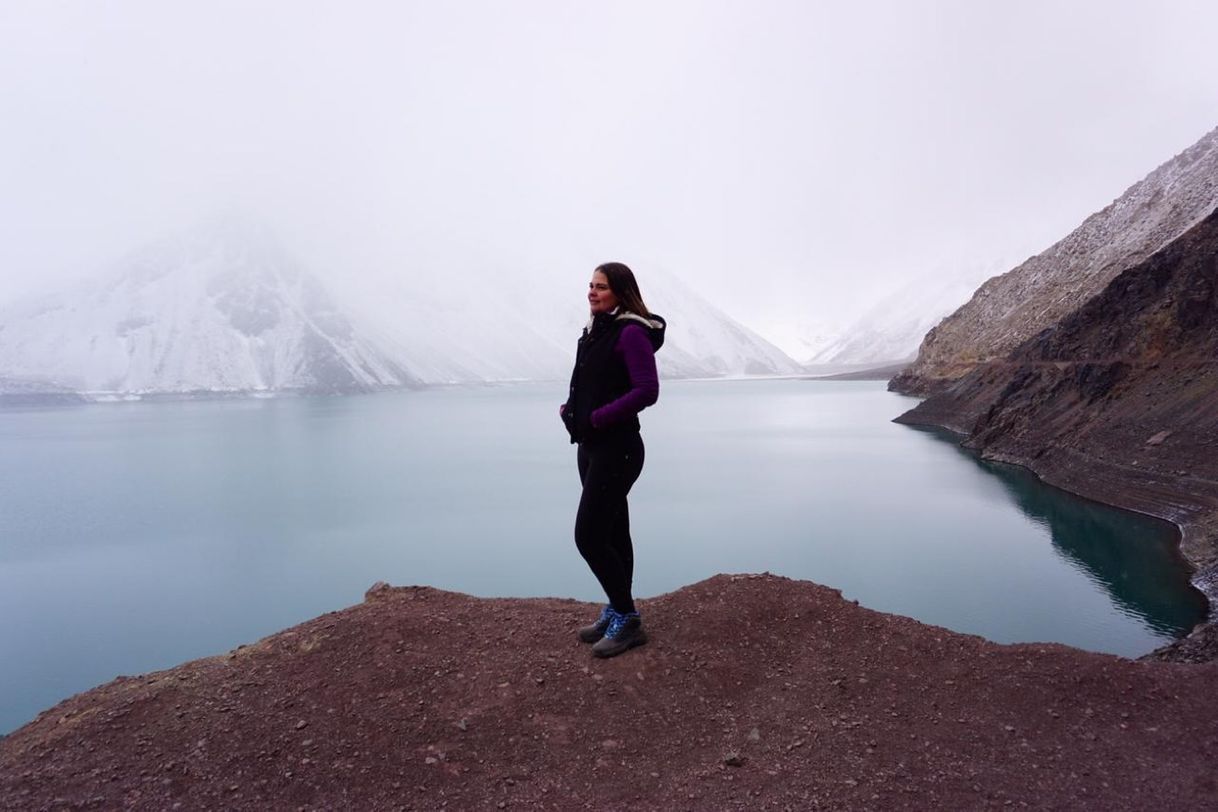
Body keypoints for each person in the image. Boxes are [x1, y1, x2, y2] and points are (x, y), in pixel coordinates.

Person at [560, 262, 666, 658]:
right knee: (614, 531)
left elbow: (647, 391)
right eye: (589, 285)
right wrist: (570, 410)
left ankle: (627, 618)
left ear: (620, 292)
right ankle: (617, 605)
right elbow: (587, 385)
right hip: (590, 448)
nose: (591, 292)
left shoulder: (631, 333)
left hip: (618, 449)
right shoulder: (594, 331)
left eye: (600, 287)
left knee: (587, 536)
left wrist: (599, 418)